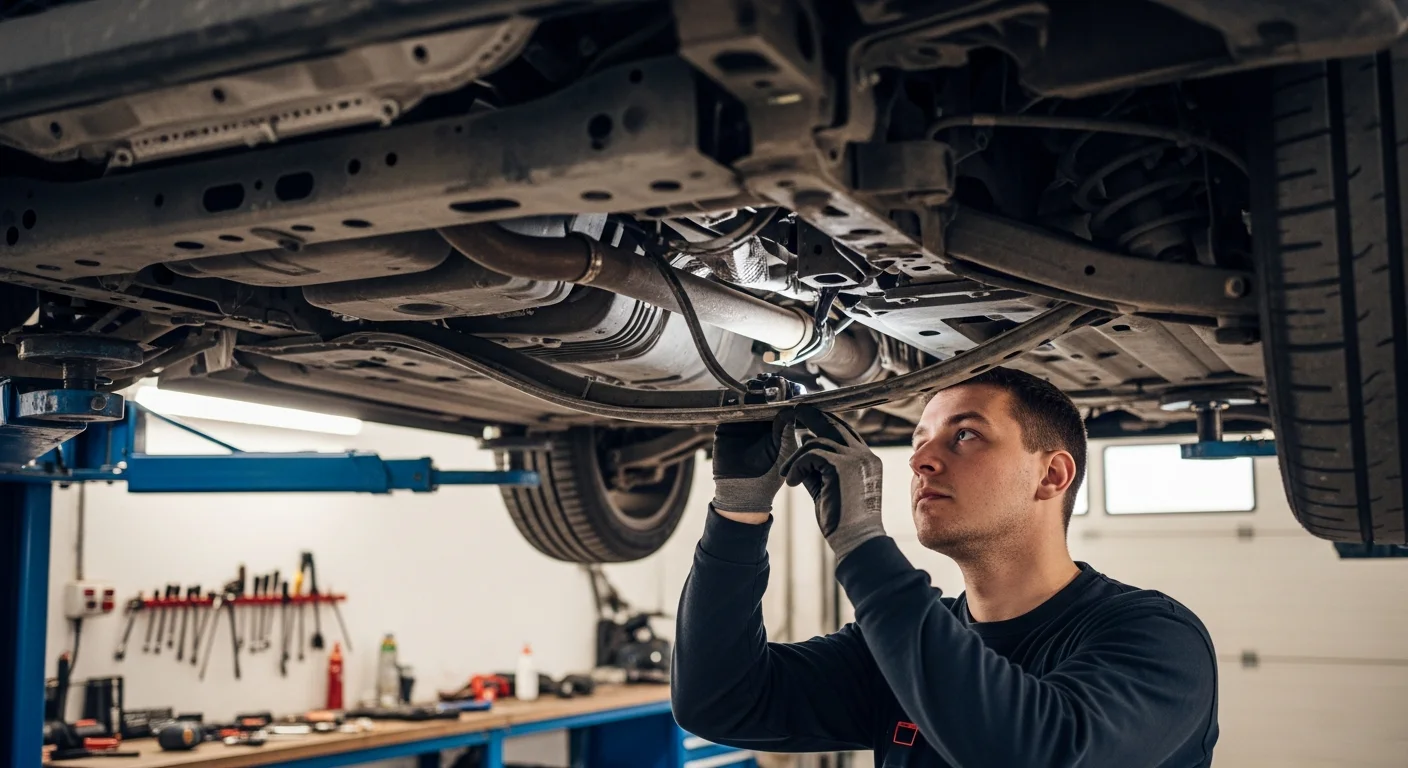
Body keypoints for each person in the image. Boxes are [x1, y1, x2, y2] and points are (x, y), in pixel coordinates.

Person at [671, 367, 1218, 767]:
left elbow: (1034, 754)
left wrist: (863, 543)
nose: (920, 460)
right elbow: (721, 702)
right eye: (919, 441)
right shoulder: (903, 644)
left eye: (965, 435)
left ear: (1052, 475)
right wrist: (738, 511)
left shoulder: (1157, 638)